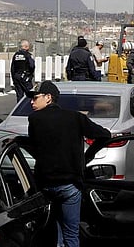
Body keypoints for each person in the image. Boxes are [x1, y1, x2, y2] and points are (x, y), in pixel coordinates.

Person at [24, 81, 111, 247]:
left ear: (48, 98)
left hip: (46, 186)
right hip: (69, 185)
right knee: (71, 234)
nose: (31, 102)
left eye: (35, 98)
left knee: (54, 231)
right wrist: (87, 157)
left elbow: (35, 147)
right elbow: (104, 135)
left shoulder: (34, 119)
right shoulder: (75, 118)